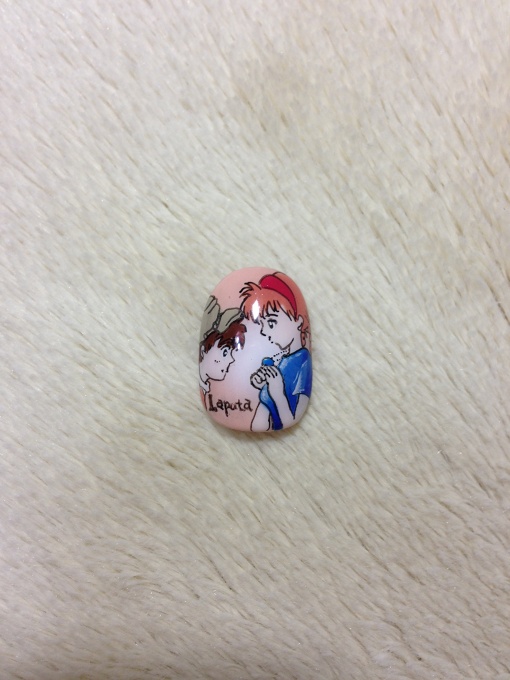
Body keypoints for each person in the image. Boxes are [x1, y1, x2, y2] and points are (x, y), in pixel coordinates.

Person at [240, 273, 312, 431]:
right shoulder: (281, 360)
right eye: (261, 324)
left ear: (298, 321)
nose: (264, 331)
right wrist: (263, 386)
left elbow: (288, 419)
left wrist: (277, 392)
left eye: (272, 322)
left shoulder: (302, 362)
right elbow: (263, 411)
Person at [199, 296, 246, 397]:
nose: (231, 359)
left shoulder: (208, 389)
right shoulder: (207, 390)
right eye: (225, 352)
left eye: (231, 352)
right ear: (203, 351)